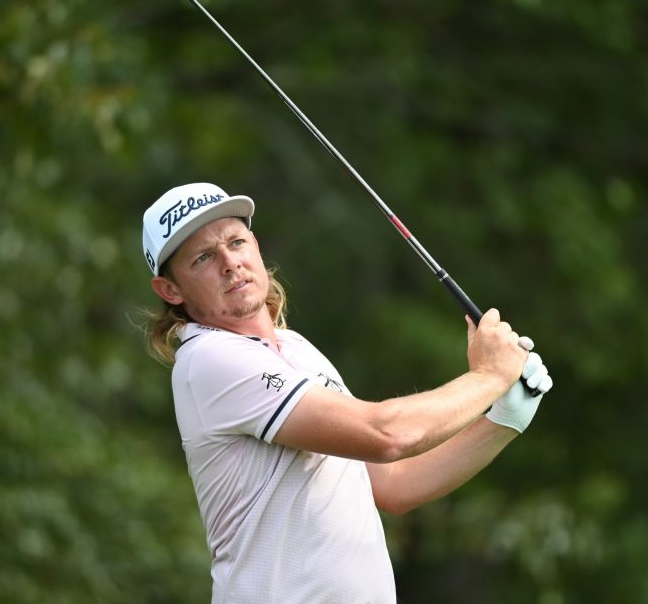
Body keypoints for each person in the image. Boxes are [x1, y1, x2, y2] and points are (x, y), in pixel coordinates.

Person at [142, 182, 553, 604]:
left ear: (256, 247)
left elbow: (392, 485)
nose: (230, 263)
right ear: (171, 291)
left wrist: (502, 420)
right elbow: (387, 435)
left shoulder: (296, 349)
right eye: (204, 257)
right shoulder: (208, 359)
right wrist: (488, 377)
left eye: (236, 242)